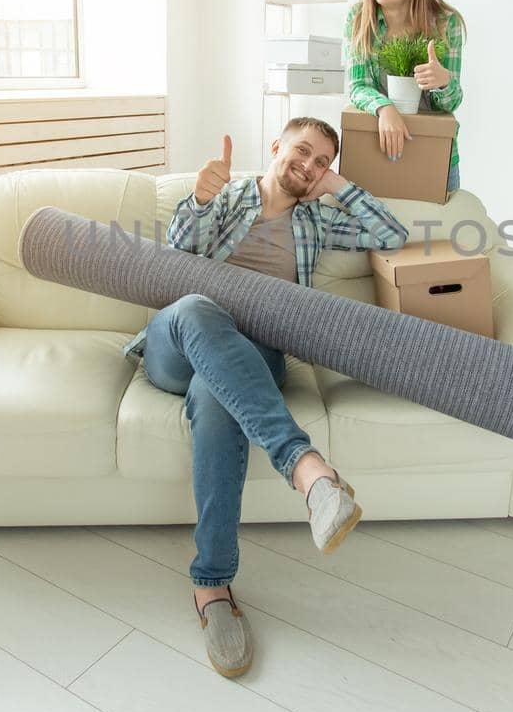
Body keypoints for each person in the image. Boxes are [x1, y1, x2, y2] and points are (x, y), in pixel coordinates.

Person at [124, 116, 407, 677]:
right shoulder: (226, 196)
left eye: (322, 161)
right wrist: (200, 201)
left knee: (216, 397)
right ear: (276, 146)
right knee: (196, 308)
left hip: (250, 361)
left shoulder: (318, 220)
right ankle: (310, 475)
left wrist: (339, 187)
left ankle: (212, 586)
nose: (308, 166)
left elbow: (392, 236)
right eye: (302, 152)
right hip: (177, 342)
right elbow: (176, 255)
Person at [343, 0, 466, 193]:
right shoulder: (358, 18)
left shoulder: (446, 23)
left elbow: (451, 102)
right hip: (374, 152)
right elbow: (357, 85)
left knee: (434, 234)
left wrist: (443, 83)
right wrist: (385, 108)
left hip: (433, 154)